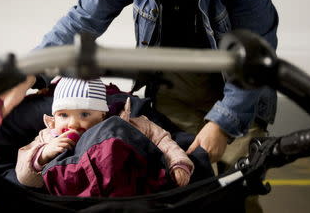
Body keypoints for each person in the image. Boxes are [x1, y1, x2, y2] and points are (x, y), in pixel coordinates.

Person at [1, 0, 278, 209]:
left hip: (238, 91)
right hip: (175, 89)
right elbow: (83, 18)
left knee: (237, 192)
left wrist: (223, 124)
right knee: (176, 193)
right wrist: (28, 73)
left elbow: (257, 54)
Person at [15, 77, 194, 196]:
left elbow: (163, 141)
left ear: (102, 115)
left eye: (84, 114)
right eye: (63, 115)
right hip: (73, 197)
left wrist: (178, 163)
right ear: (54, 118)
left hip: (130, 191)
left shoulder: (132, 124)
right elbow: (24, 177)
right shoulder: (47, 137)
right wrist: (43, 155)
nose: (72, 124)